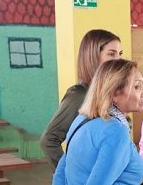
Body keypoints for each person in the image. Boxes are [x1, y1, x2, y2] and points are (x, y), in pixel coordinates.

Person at [40, 29, 122, 169]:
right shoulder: (79, 95)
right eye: (111, 54)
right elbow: (49, 140)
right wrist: (69, 174)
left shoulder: (109, 93)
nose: (119, 60)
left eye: (120, 54)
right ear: (93, 57)